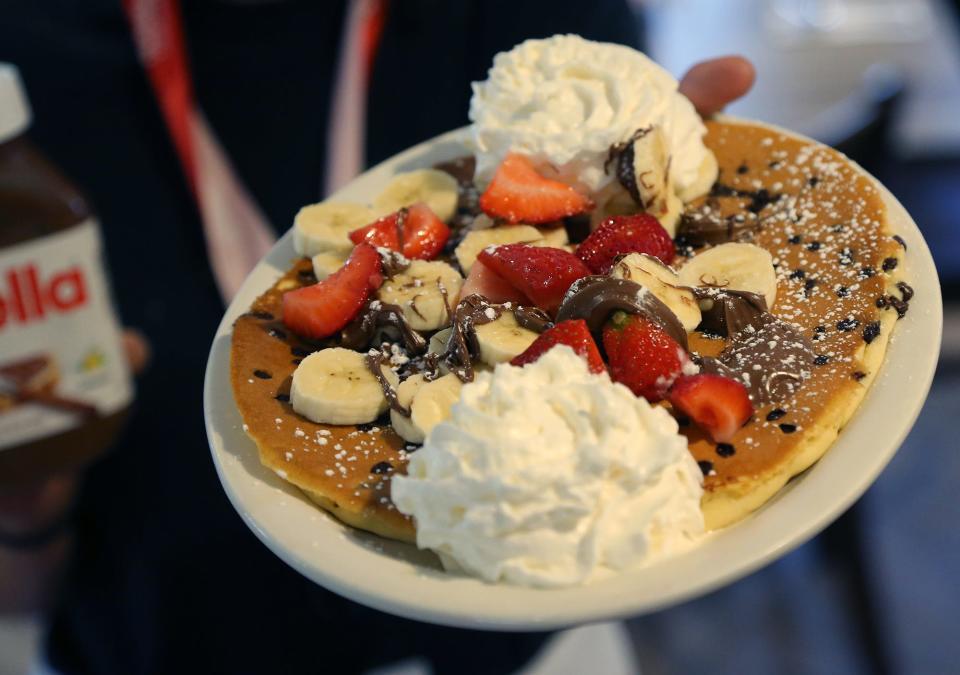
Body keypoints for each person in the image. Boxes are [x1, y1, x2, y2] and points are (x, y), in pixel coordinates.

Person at [0, 2, 754, 672]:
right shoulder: (28, 70)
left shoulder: (522, 36)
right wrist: (24, 507)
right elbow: (17, 598)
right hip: (171, 642)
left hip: (534, 632)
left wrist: (658, 195)